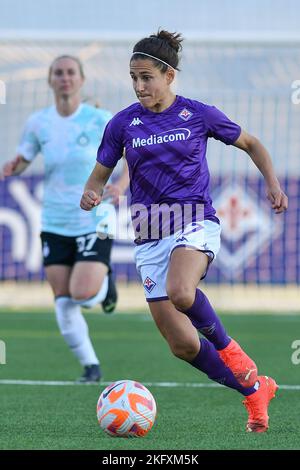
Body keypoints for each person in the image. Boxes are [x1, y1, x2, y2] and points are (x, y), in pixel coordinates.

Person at [80, 31, 288, 431]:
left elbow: (252, 143)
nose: (139, 86)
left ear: (169, 75)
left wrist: (272, 183)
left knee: (181, 291)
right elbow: (98, 178)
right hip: (149, 235)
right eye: (133, 78)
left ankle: (232, 351)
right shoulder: (123, 123)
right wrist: (91, 194)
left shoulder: (198, 114)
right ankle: (254, 391)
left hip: (195, 221)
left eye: (147, 77)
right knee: (183, 345)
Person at [1, 55, 129, 383]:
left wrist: (120, 184)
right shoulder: (38, 122)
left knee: (83, 294)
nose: (65, 78)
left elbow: (133, 153)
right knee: (63, 300)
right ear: (50, 80)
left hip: (94, 217)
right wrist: (12, 167)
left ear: (82, 79)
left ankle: (104, 287)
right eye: (58, 73)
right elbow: (25, 158)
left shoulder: (101, 118)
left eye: (71, 72)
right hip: (54, 221)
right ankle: (91, 366)